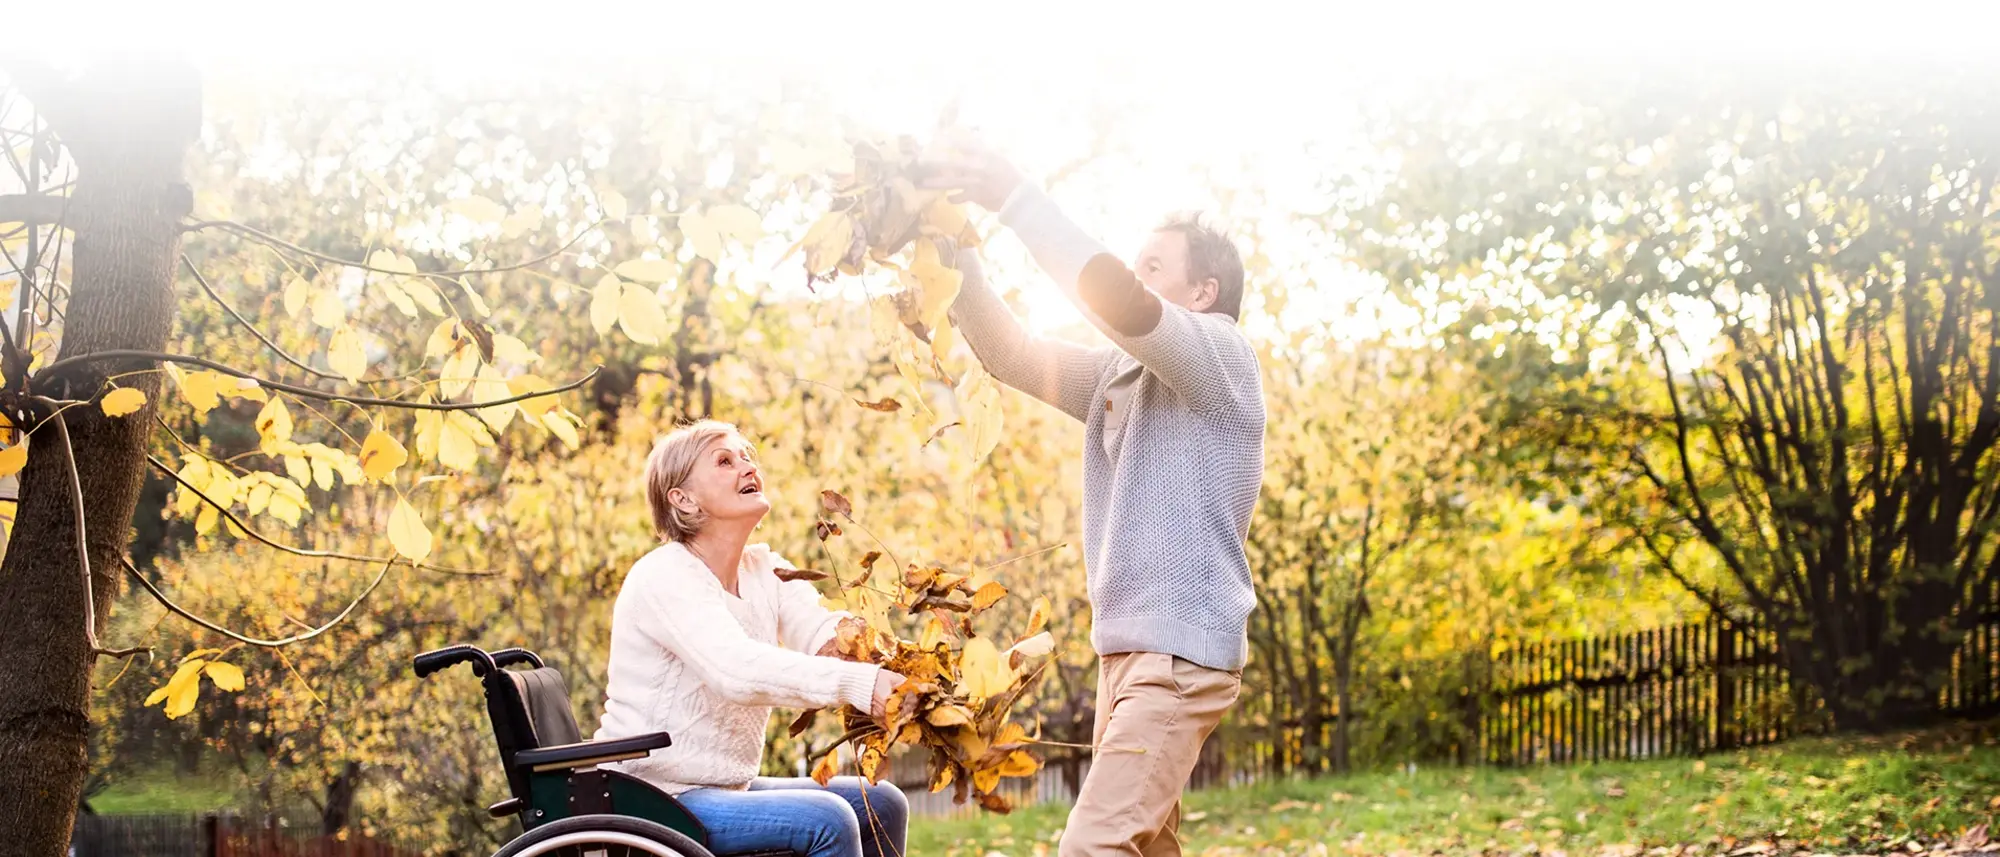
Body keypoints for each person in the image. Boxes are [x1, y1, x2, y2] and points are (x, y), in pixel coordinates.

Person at [922, 135, 1266, 856]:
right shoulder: (1120, 376)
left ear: (1202, 293)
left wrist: (1016, 197)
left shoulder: (1221, 356)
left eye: (1152, 266)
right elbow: (1012, 355)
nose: (1132, 276)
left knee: (1092, 846)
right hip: (1128, 656)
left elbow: (1120, 300)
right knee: (1140, 846)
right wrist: (953, 248)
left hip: (1177, 659)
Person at [591, 419, 909, 857]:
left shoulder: (762, 569)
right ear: (682, 498)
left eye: (746, 457)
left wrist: (895, 669)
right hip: (653, 795)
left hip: (723, 786)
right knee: (829, 820)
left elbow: (820, 633)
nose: (746, 467)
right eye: (724, 461)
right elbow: (736, 669)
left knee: (883, 803)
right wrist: (859, 686)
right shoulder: (664, 574)